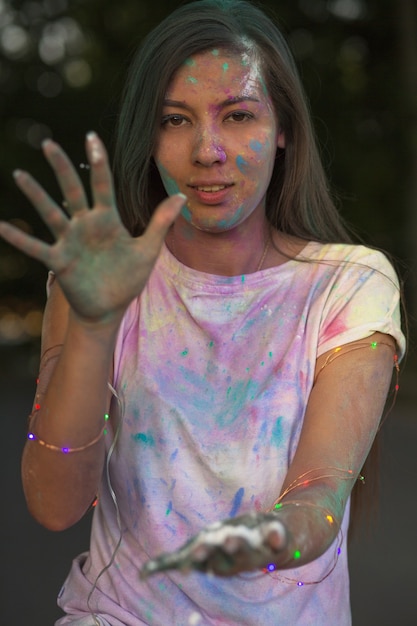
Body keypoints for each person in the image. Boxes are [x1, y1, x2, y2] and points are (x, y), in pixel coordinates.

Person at [0, 0, 406, 624]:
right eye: (175, 119)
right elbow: (54, 504)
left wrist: (256, 543)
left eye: (239, 115)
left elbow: (319, 496)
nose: (207, 150)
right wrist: (94, 322)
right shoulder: (100, 283)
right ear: (150, 135)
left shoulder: (347, 285)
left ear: (283, 128)